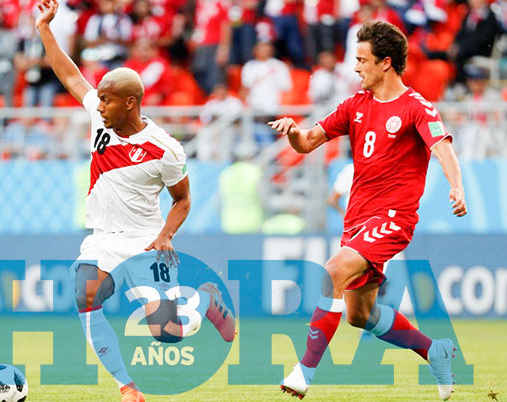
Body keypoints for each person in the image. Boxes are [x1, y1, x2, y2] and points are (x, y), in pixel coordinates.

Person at [34, 1, 236, 401]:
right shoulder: (100, 117)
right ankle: (127, 386)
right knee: (85, 292)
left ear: (130, 102)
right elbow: (70, 75)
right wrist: (44, 29)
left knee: (168, 333)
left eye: (106, 100)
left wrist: (166, 235)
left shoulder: (165, 148)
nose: (98, 105)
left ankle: (206, 301)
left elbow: (183, 200)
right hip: (103, 237)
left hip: (146, 241)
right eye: (99, 99)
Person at [269, 20, 467, 400]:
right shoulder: (355, 105)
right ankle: (433, 351)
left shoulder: (416, 107)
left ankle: (304, 371)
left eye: (362, 60)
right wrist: (293, 131)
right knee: (360, 315)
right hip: (357, 219)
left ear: (385, 62)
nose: (356, 67)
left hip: (393, 218)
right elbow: (307, 143)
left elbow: (442, 148)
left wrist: (456, 187)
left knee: (333, 271)